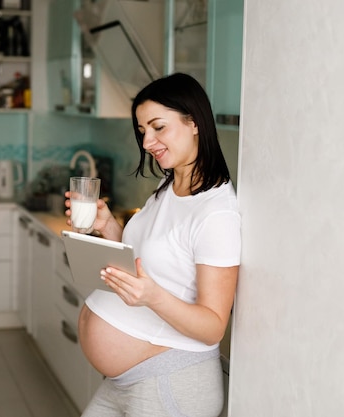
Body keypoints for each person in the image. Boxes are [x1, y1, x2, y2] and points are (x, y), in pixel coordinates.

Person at [64, 73, 241, 417]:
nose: (147, 142)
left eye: (158, 127)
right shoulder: (168, 185)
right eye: (143, 130)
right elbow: (148, 265)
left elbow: (213, 326)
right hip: (126, 382)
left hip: (170, 383)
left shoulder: (216, 214)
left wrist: (151, 296)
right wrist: (109, 227)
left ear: (194, 122)